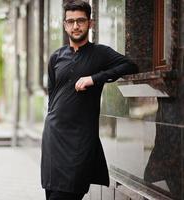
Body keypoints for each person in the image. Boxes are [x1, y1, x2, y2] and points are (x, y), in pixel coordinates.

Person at [40, 1, 138, 199]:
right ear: (65, 25)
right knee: (51, 194)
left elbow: (130, 66)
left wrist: (94, 78)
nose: (76, 26)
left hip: (80, 141)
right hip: (54, 138)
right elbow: (52, 96)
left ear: (90, 24)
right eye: (71, 21)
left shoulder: (100, 53)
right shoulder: (56, 57)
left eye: (81, 21)